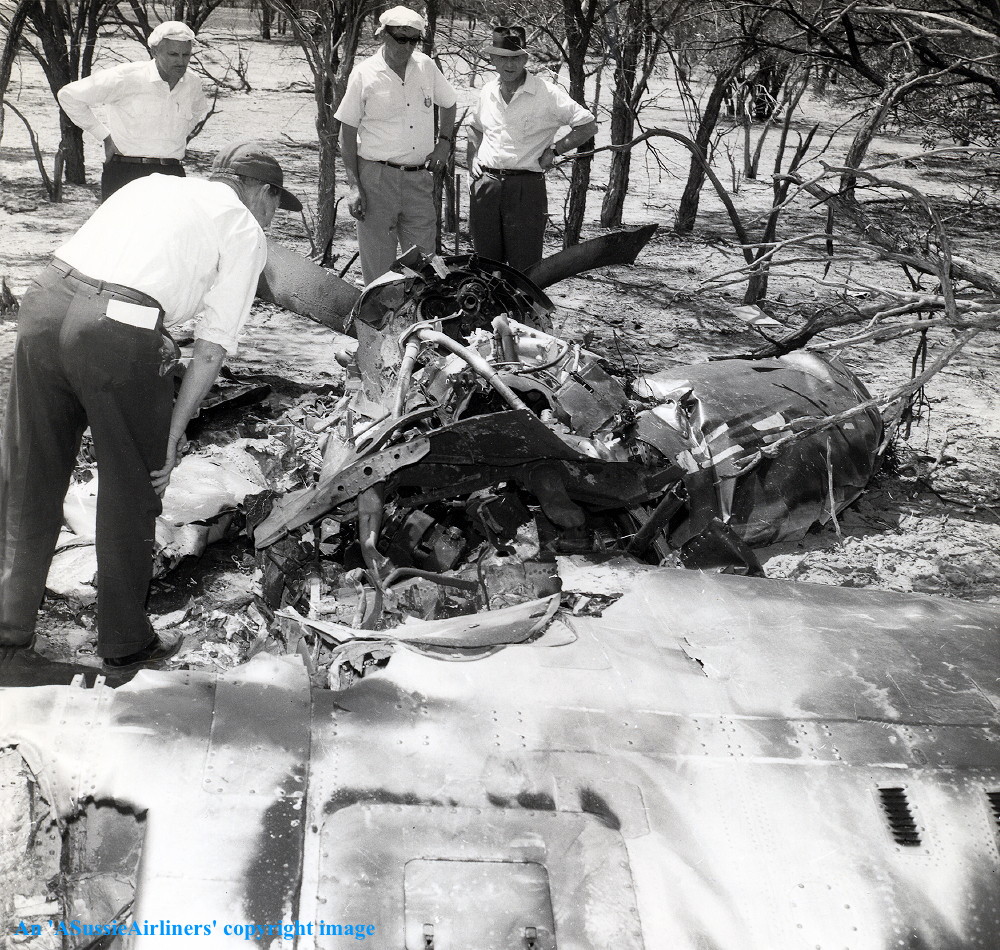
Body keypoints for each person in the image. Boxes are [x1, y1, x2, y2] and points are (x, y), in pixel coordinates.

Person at [0, 144, 301, 672]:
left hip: (44, 300)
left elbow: (103, 278)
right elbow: (212, 347)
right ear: (262, 192)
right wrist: (173, 431)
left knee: (29, 473)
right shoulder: (245, 228)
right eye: (278, 203)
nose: (274, 216)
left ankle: (7, 627)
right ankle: (124, 641)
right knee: (133, 483)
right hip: (118, 327)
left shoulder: (153, 185)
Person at [335, 5, 457, 285]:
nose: (408, 47)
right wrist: (354, 186)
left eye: (414, 40)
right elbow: (347, 133)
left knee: (425, 265)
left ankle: (419, 314)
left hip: (418, 180)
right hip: (376, 180)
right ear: (383, 35)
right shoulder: (364, 74)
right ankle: (378, 314)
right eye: (401, 39)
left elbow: (449, 102)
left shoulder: (426, 66)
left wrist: (444, 143)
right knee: (379, 271)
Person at [467, 26, 598, 271]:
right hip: (486, 185)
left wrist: (555, 150)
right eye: (503, 57)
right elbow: (475, 127)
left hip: (525, 187)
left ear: (526, 58)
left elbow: (588, 125)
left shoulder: (546, 93)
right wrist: (472, 157)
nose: (510, 64)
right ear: (493, 59)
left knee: (525, 268)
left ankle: (521, 299)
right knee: (485, 264)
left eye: (516, 57)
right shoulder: (487, 91)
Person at [57, 20, 209, 200]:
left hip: (172, 174)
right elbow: (69, 95)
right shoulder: (126, 77)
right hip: (126, 172)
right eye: (173, 54)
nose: (181, 61)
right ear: (155, 52)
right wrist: (104, 136)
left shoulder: (192, 83)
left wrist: (176, 138)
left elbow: (197, 111)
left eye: (186, 54)